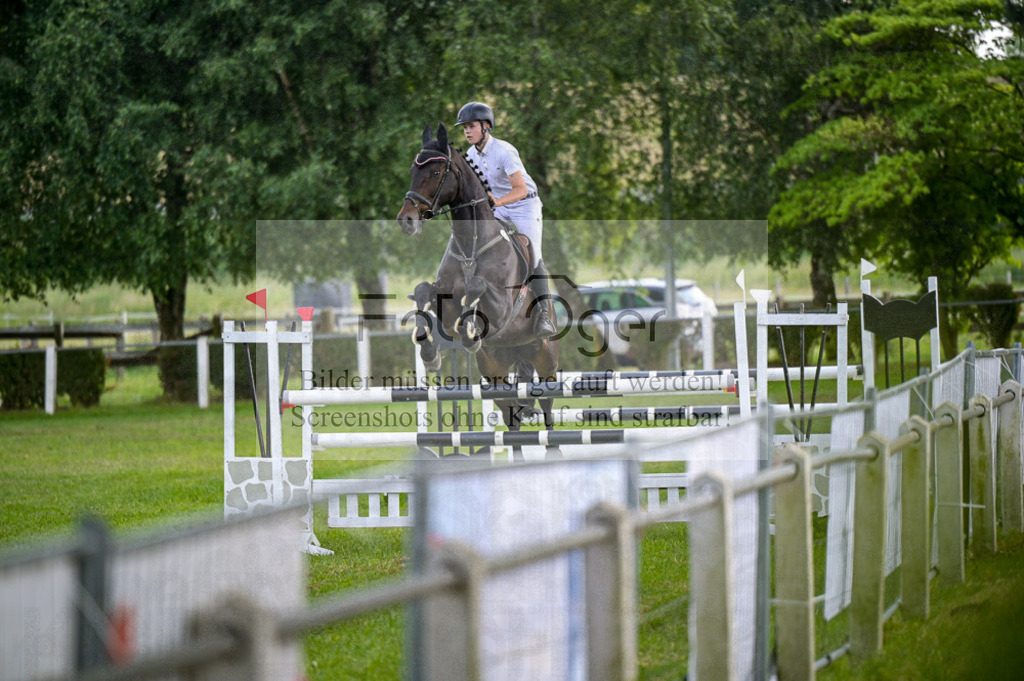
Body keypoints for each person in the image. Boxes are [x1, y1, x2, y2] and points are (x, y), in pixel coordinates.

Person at [454, 101, 557, 339]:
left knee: (534, 255)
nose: (467, 131)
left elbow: (520, 189)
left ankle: (544, 314)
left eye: (471, 126)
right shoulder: (470, 155)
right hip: (497, 205)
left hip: (524, 205)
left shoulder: (504, 151)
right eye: (464, 128)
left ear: (486, 126)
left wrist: (497, 203)